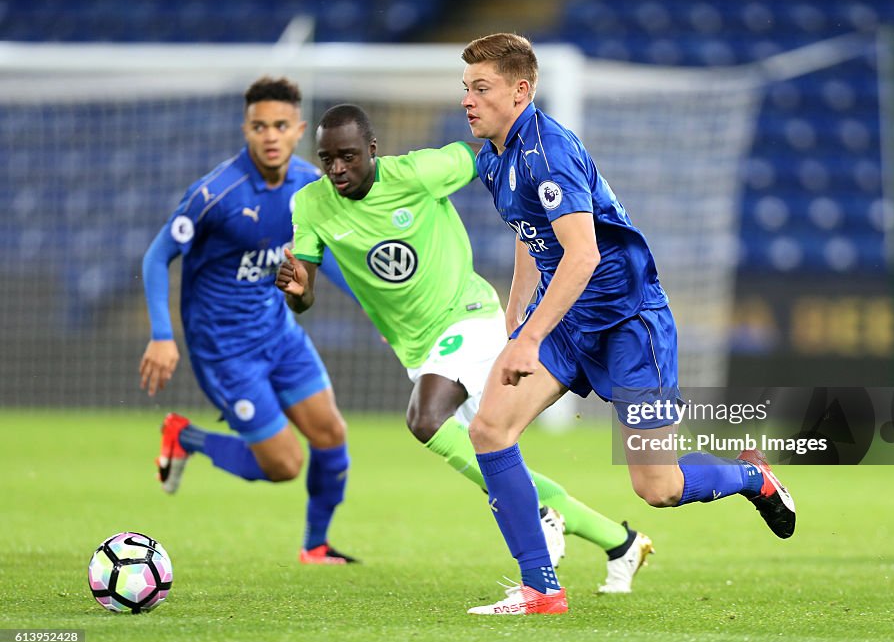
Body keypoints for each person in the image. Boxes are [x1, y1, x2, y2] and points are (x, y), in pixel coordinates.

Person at [459, 32, 797, 615]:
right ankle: (541, 588)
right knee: (489, 430)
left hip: (628, 324)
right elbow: (529, 229)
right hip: (567, 322)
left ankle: (753, 479)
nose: (468, 100)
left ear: (521, 90)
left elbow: (584, 254)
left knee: (657, 489)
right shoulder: (494, 156)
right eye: (465, 88)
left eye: (481, 88)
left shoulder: (548, 151)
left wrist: (531, 335)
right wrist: (517, 316)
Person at [275, 103, 653, 593]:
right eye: (327, 159)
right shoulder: (310, 204)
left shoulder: (420, 171)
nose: (337, 168)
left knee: (425, 419)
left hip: (468, 316)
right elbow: (303, 294)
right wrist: (296, 287)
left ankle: (539, 518)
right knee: (496, 460)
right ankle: (620, 542)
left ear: (372, 150)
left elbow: (482, 156)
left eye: (347, 156)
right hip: (417, 347)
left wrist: (532, 205)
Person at [139, 77, 357, 565]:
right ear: (246, 130)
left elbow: (330, 259)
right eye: (260, 126)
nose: (271, 135)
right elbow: (157, 258)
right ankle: (186, 436)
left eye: (281, 125)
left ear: (299, 129)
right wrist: (161, 336)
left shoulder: (310, 187)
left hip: (278, 334)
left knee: (331, 434)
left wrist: (378, 307)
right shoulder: (216, 194)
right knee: (284, 465)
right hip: (225, 352)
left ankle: (316, 546)